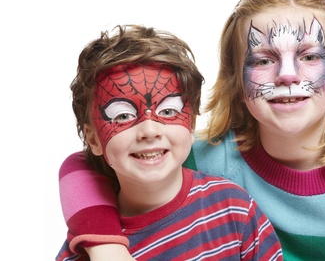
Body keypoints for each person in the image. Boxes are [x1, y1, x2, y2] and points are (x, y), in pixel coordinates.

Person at [57, 0, 325, 260]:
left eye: (309, 56)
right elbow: (86, 164)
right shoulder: (208, 159)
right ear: (237, 83)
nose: (288, 75)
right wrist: (106, 246)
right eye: (262, 60)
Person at [56, 25, 283, 261]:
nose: (149, 130)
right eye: (123, 116)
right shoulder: (84, 250)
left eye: (168, 111)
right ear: (93, 139)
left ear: (192, 124)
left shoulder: (234, 208)